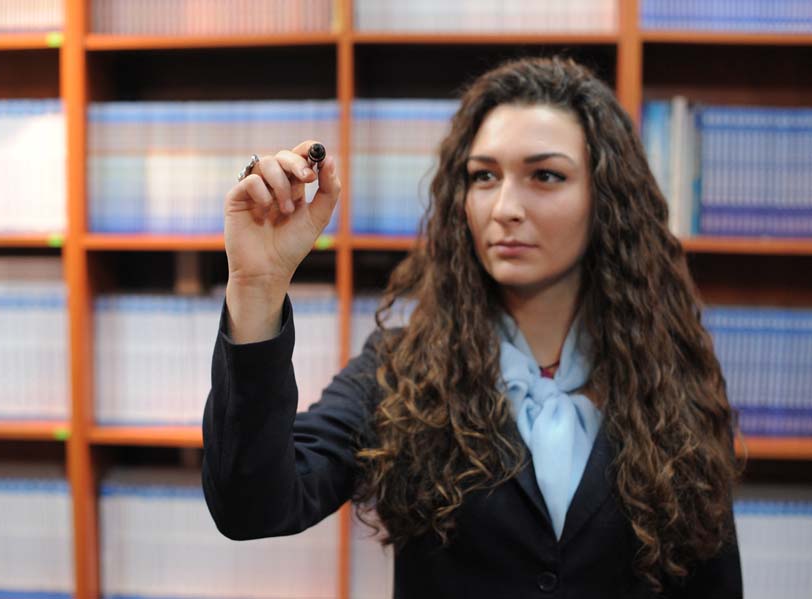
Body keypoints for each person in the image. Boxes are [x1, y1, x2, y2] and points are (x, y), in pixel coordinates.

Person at [201, 56, 743, 598]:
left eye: (545, 176)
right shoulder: (402, 370)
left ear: (606, 198)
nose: (505, 208)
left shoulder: (667, 377)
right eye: (484, 176)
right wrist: (257, 286)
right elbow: (252, 507)